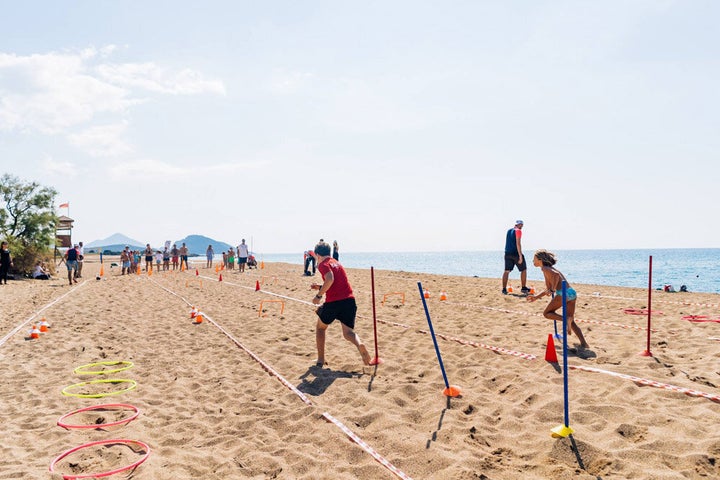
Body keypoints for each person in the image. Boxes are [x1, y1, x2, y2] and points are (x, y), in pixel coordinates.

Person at [310, 241, 371, 367]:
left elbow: (330, 279)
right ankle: (360, 344)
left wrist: (318, 296)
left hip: (334, 302)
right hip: (349, 300)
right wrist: (320, 287)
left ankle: (321, 359)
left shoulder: (323, 264)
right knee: (348, 333)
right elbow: (336, 284)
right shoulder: (336, 263)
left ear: (318, 255)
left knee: (320, 328)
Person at [527, 249, 589, 349]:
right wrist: (536, 297)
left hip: (563, 293)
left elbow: (556, 275)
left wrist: (553, 288)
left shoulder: (545, 268)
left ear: (540, 260)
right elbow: (548, 289)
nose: (532, 261)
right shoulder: (547, 269)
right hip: (571, 292)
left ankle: (566, 320)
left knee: (547, 314)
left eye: (534, 259)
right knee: (571, 321)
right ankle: (584, 343)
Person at [502, 220, 530, 295]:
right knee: (523, 270)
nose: (522, 227)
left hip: (507, 253)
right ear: (519, 225)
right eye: (521, 225)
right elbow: (518, 244)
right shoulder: (518, 231)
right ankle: (523, 288)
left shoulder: (509, 231)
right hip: (515, 253)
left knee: (507, 271)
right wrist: (520, 255)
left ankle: (504, 289)